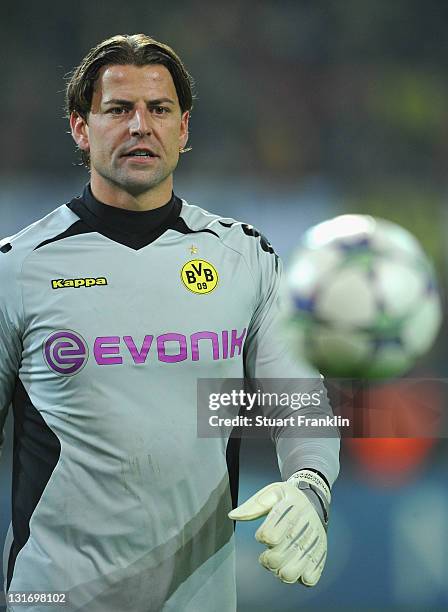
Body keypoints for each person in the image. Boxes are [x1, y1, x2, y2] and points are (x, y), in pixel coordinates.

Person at [0, 34, 339, 611]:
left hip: (199, 600)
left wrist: (311, 488)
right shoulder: (19, 268)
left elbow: (299, 403)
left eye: (158, 110)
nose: (140, 126)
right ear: (81, 128)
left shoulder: (245, 259)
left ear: (183, 129)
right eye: (118, 109)